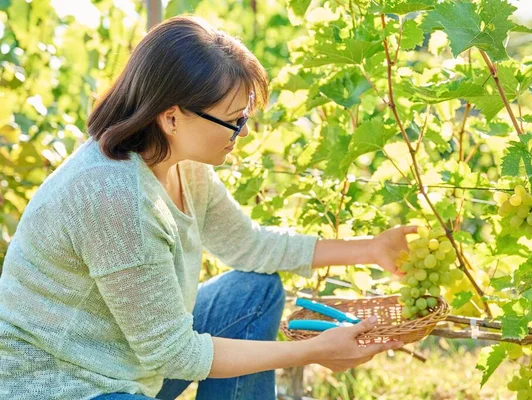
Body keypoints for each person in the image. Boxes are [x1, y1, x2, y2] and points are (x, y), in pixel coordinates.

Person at [0, 15, 415, 400]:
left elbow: (249, 246)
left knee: (254, 291)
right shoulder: (112, 195)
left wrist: (369, 248)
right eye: (234, 120)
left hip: (128, 362)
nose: (244, 132)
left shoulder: (182, 167)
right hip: (63, 383)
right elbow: (174, 355)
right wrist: (309, 352)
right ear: (172, 117)